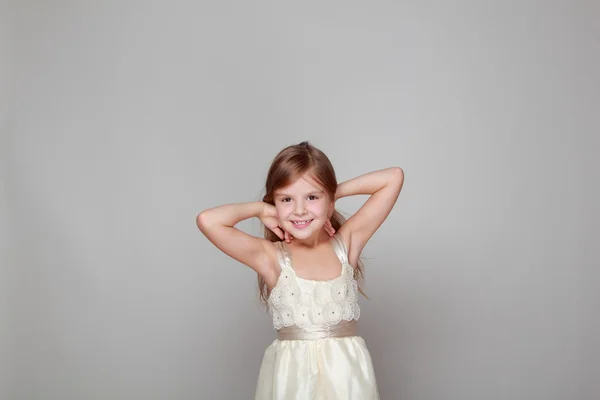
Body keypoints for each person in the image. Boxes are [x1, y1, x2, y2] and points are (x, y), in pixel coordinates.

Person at [196, 141, 404, 399]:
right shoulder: (272, 258)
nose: (300, 210)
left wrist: (332, 193)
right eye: (286, 199)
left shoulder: (345, 246)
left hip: (348, 382)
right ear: (275, 203)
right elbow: (208, 221)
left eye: (312, 197)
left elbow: (393, 177)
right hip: (294, 384)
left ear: (328, 203)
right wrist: (260, 209)